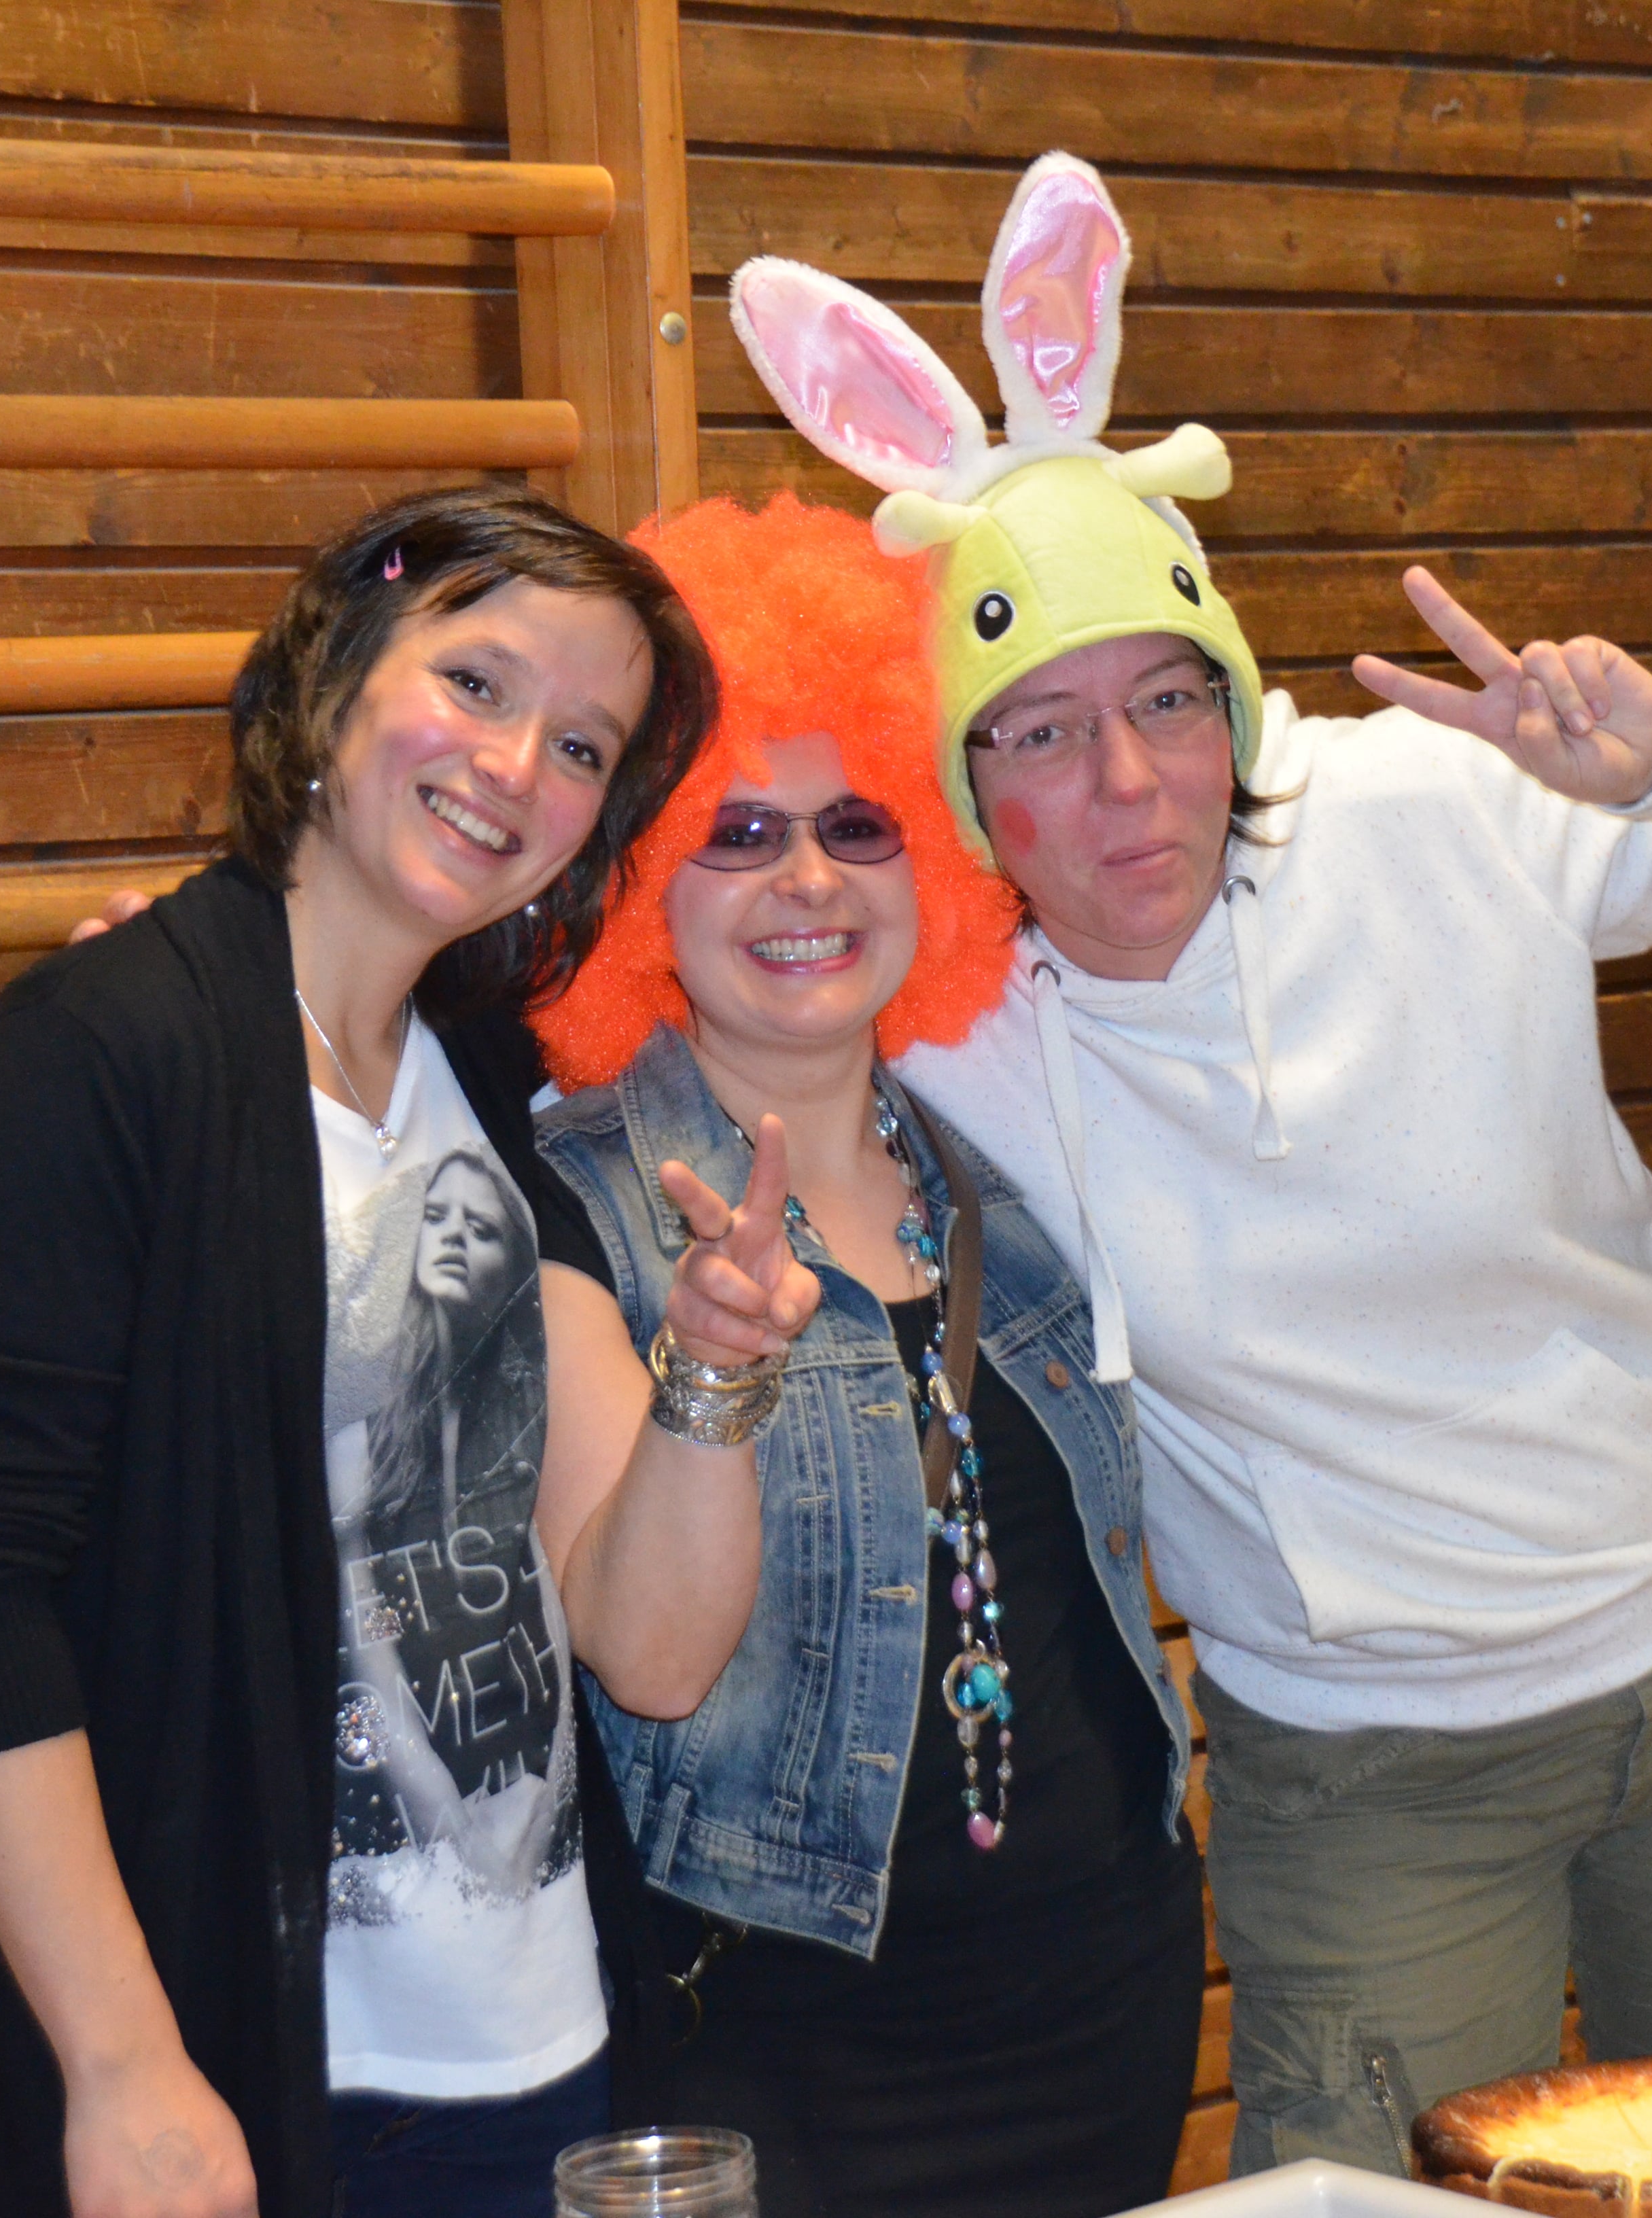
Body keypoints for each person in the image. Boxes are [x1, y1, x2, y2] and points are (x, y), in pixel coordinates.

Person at [729, 154, 1652, 2173]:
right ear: (960, 779)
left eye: (1164, 700)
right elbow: (671, 967)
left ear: (1230, 689)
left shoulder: (1430, 810)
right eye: (1038, 732)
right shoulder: (941, 1017)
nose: (1127, 781)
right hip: (1373, 1765)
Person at [0, 486, 820, 2218]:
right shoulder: (106, 1049)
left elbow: (653, 1647)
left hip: (550, 2059)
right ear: (331, 679)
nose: (517, 764)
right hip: (255, 2082)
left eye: (583, 745)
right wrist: (121, 2065)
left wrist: (717, 1367)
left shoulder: (489, 1082)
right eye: (476, 682)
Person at [523, 495, 1205, 2218]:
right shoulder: (572, 1209)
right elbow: (649, 1662)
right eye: (738, 832)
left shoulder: (1001, 1174)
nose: (809, 879)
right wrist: (709, 1367)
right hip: (793, 2062)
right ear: (639, 880)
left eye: (858, 823)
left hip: (1105, 2011)